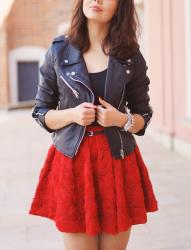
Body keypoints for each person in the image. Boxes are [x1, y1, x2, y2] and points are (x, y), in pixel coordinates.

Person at [28, 0, 158, 249]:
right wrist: (72, 115)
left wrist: (121, 119)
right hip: (73, 163)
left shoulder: (131, 56)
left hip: (118, 162)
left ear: (121, 6)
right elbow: (41, 112)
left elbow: (143, 118)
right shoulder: (59, 51)